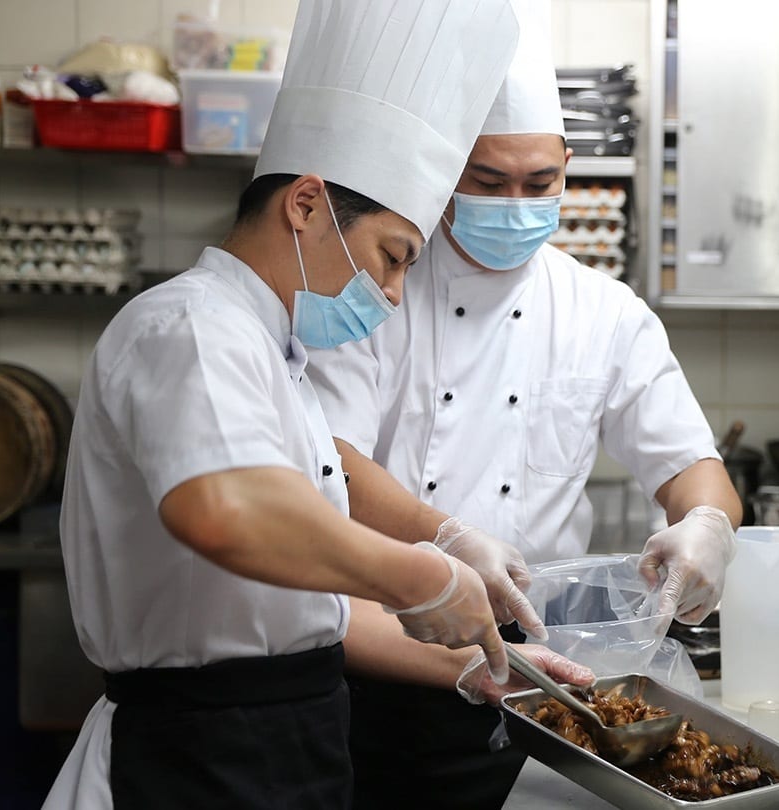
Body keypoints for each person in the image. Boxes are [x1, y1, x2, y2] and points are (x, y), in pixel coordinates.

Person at [41, 2, 528, 806]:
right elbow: (226, 510)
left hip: (282, 747)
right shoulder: (191, 326)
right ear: (304, 205)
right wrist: (421, 572)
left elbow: (317, 615)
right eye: (392, 258)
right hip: (191, 764)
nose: (394, 295)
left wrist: (485, 667)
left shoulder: (276, 355)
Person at [307, 1, 741, 806]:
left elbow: (694, 467)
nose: (516, 202)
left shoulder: (603, 312)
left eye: (540, 182)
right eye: (488, 181)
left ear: (568, 166)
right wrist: (445, 534)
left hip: (545, 659)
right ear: (443, 174)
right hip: (389, 634)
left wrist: (707, 526)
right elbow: (331, 458)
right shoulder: (379, 284)